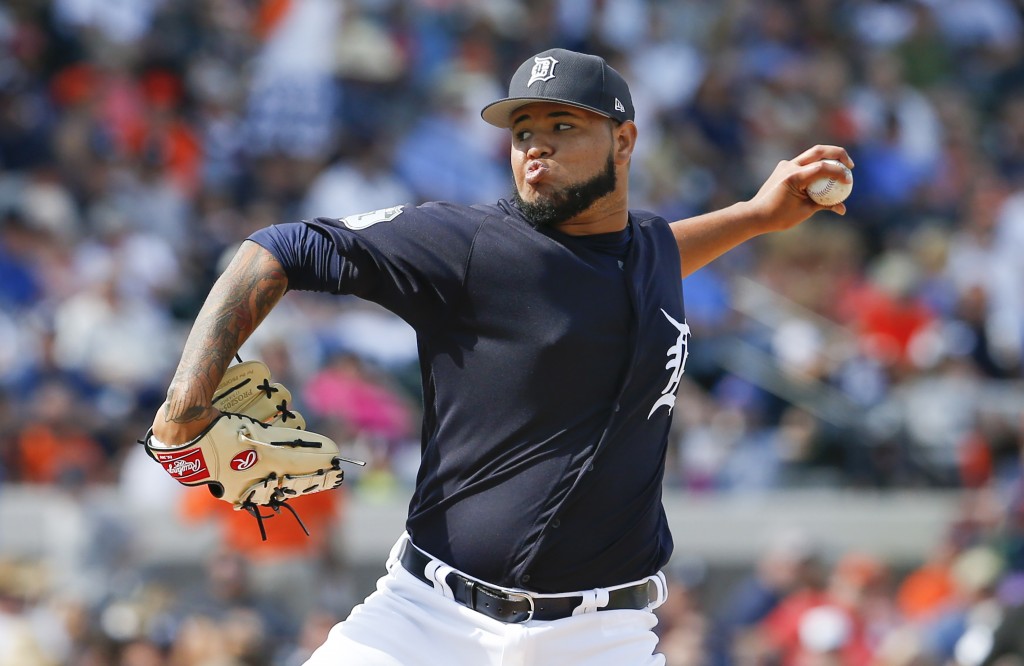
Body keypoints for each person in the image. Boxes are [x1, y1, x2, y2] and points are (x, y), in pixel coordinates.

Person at [149, 48, 852, 665]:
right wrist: (185, 405)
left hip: (602, 638)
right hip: (426, 624)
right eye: (522, 132)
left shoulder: (645, 250)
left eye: (562, 127)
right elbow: (279, 247)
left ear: (625, 140)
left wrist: (756, 217)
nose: (535, 147)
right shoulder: (470, 246)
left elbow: (652, 254)